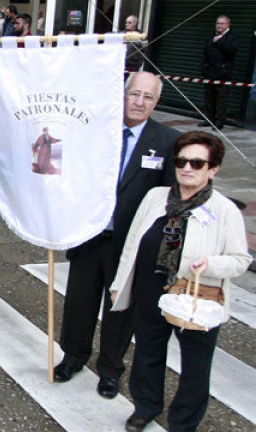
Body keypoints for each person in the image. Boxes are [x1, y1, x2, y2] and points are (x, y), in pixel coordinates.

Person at [109, 131, 251, 432]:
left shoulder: (224, 210)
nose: (187, 168)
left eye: (197, 163)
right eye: (182, 161)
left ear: (213, 169)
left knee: (195, 367)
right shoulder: (156, 197)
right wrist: (120, 283)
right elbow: (133, 243)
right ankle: (145, 407)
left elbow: (241, 260)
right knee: (147, 354)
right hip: (150, 290)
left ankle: (184, 422)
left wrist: (211, 263)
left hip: (196, 297)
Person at [54, 72, 181, 400]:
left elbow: (170, 201)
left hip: (132, 245)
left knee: (121, 310)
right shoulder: (98, 130)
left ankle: (110, 369)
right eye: (134, 94)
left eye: (148, 97)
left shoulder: (167, 142)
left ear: (155, 102)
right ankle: (73, 356)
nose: (139, 102)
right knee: (79, 302)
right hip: (91, 235)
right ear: (123, 95)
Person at [199, 15, 239, 130]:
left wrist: (220, 42)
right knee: (209, 97)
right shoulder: (212, 36)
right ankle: (208, 119)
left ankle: (219, 121)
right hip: (210, 72)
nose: (219, 26)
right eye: (217, 23)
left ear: (228, 25)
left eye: (222, 24)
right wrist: (204, 68)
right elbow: (206, 52)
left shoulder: (233, 37)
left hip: (223, 73)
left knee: (221, 99)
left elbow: (231, 51)